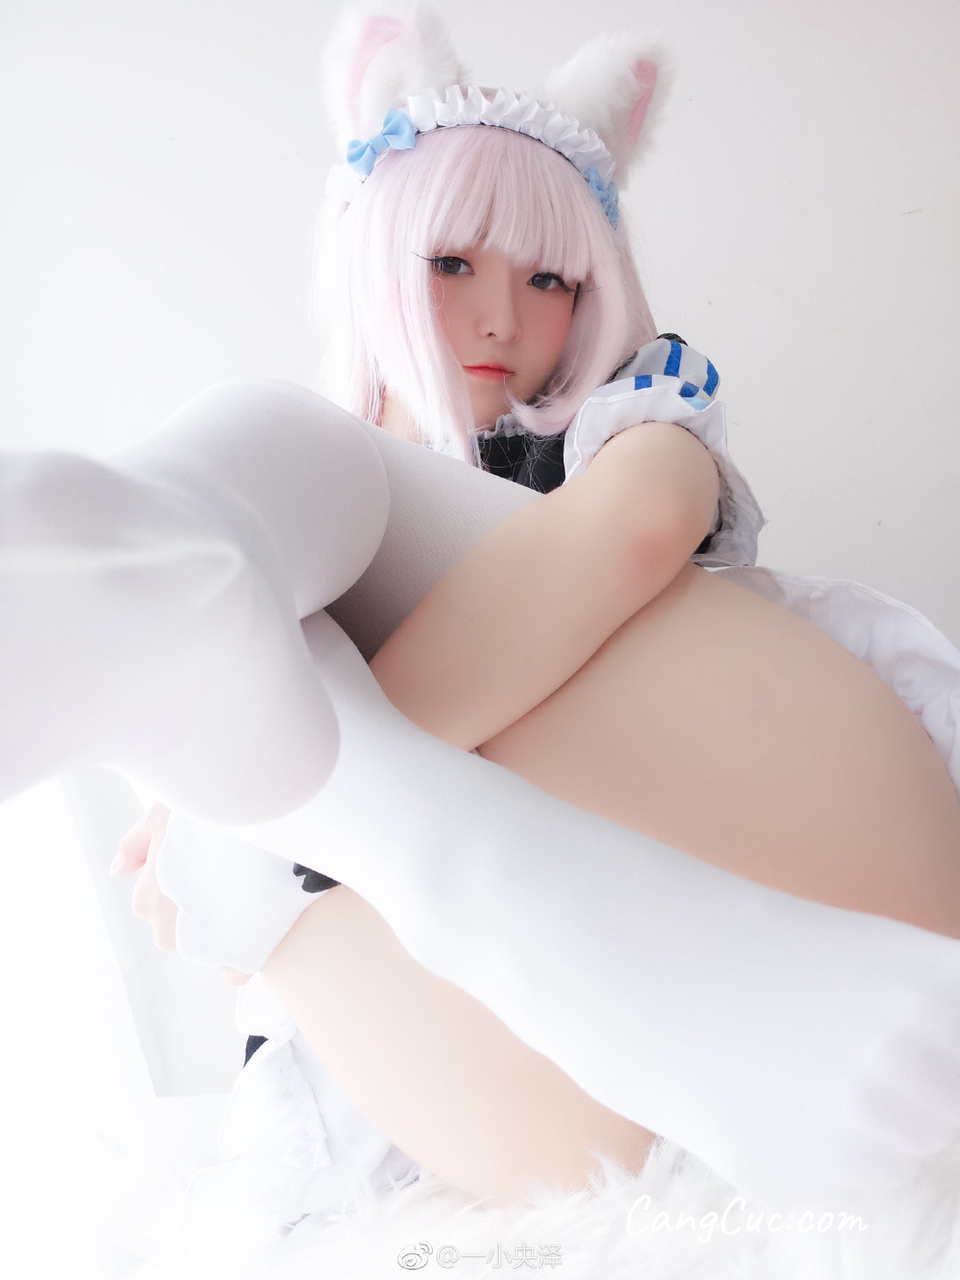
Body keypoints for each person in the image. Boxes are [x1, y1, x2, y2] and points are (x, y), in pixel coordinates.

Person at [107, 5, 960, 1228]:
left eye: (546, 277)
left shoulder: (634, 414)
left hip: (770, 838)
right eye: (451, 262)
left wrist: (279, 806)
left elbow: (640, 527)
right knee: (263, 576)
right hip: (526, 1069)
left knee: (263, 501)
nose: (501, 314)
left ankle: (120, 611)